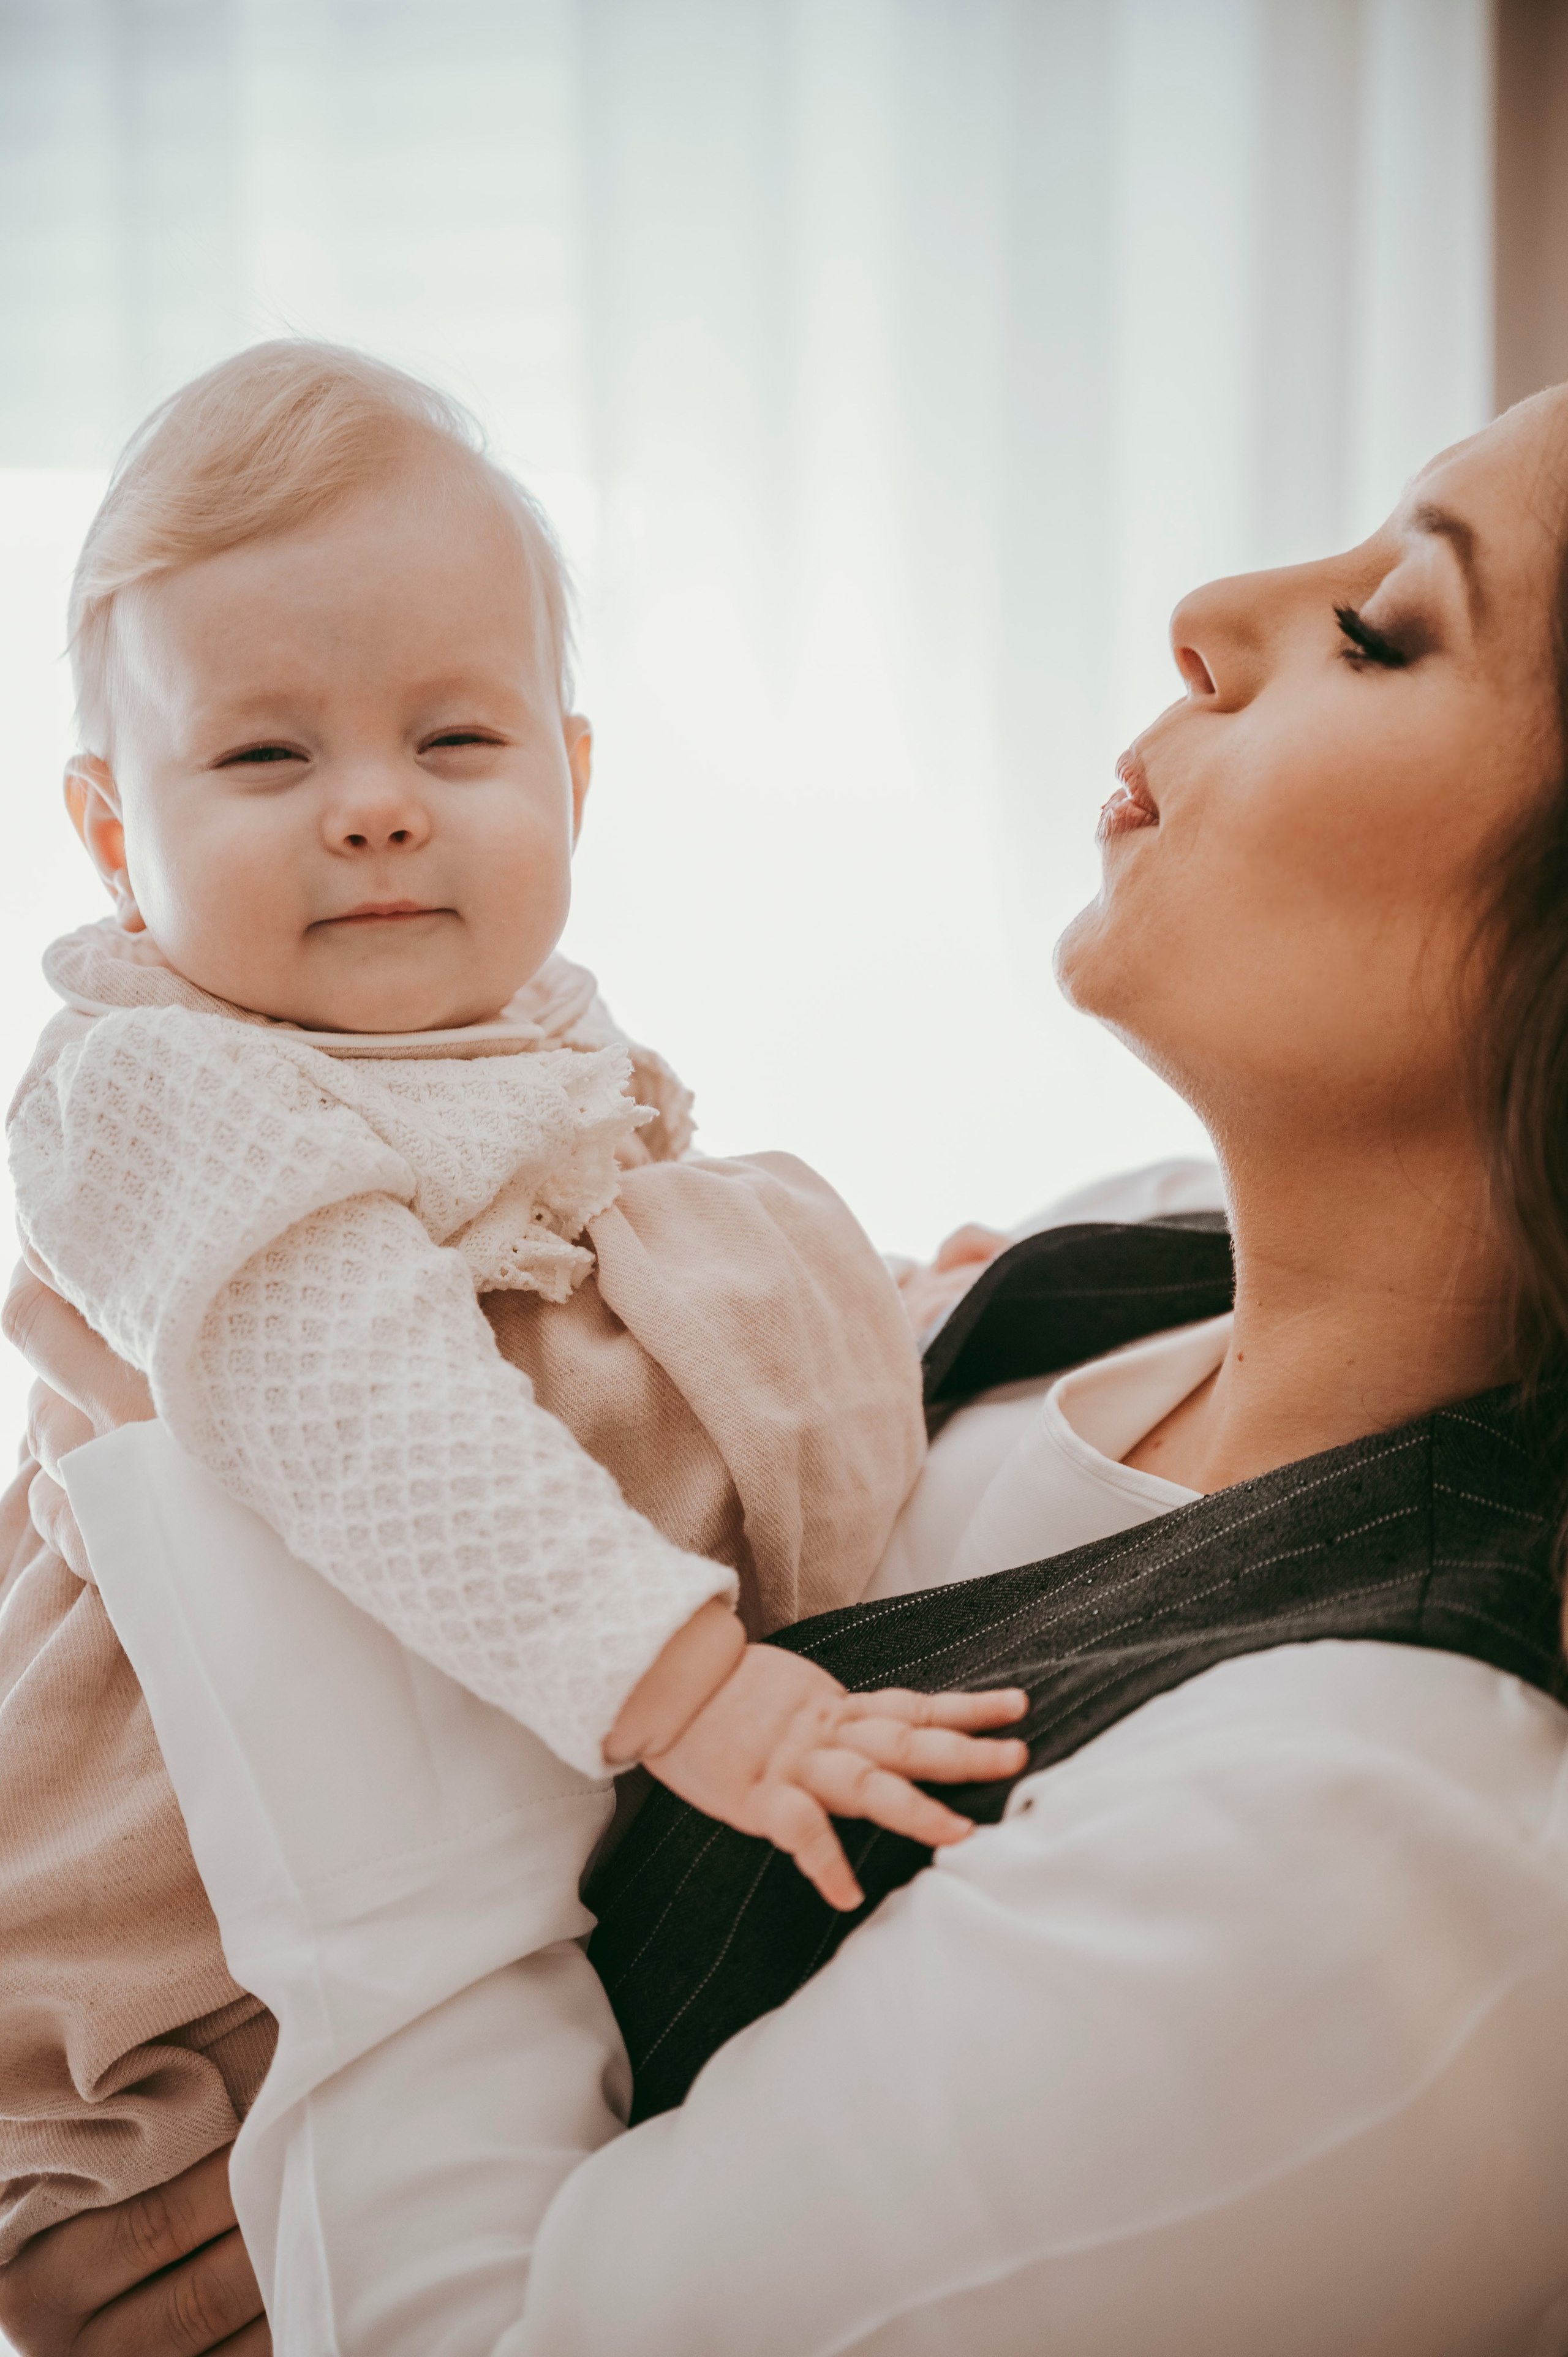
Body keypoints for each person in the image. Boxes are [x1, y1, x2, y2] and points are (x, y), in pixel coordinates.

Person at [11, 381, 1568, 2352]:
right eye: (259, 749)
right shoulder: (1132, 1268)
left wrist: (221, 1508)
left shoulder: (1387, 1824)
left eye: (1387, 628)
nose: (1215, 601)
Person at [0, 340, 1028, 2270]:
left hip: (483, 1790)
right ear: (114, 834)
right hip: (184, 1916)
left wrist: (884, 1306)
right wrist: (691, 1688)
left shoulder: (537, 1043)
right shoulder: (156, 1086)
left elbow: (624, 1316)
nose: (375, 808)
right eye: (265, 754)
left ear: (569, 773)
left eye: (455, 742)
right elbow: (375, 1407)